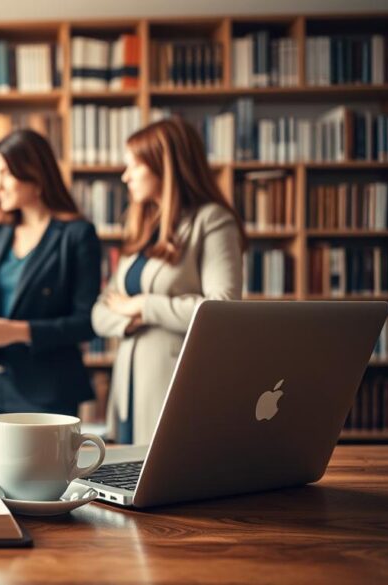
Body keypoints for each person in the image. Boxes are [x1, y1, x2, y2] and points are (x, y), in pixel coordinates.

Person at [92, 116, 246, 445]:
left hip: (176, 385)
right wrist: (129, 321)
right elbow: (99, 312)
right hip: (128, 389)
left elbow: (224, 309)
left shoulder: (212, 221)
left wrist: (145, 306)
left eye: (134, 166)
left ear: (166, 165)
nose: (125, 176)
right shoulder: (144, 230)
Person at [0, 129, 101, 422]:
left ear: (34, 173)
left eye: (4, 174)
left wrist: (16, 332)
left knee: (45, 470)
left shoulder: (77, 236)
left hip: (47, 390)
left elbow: (86, 323)